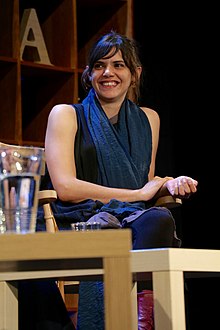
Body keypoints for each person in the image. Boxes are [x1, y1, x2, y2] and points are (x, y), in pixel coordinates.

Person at [37, 31, 198, 329]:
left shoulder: (149, 119)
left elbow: (143, 183)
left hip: (129, 218)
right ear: (89, 74)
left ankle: (142, 319)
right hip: (80, 220)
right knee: (123, 227)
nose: (108, 72)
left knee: (159, 219)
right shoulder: (66, 114)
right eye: (99, 65)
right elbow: (66, 188)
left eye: (119, 65)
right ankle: (115, 318)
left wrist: (166, 184)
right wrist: (139, 193)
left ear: (135, 74)